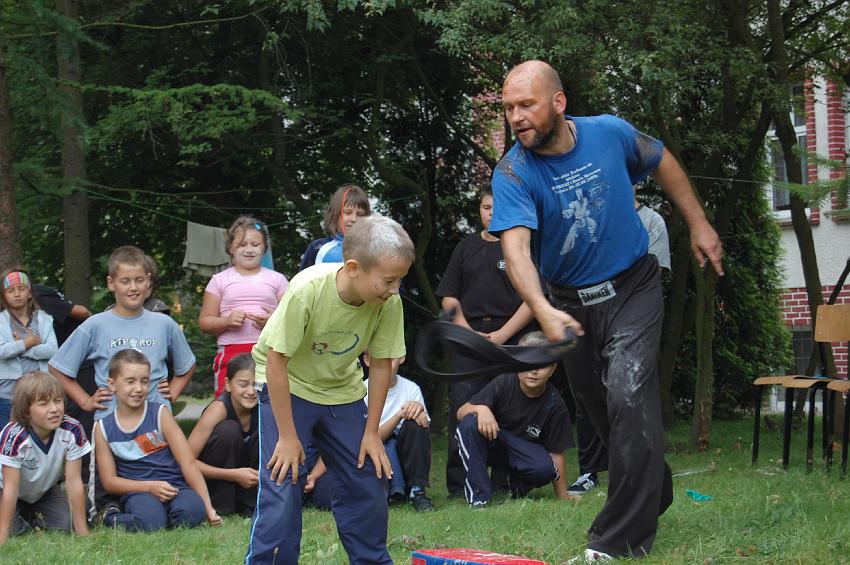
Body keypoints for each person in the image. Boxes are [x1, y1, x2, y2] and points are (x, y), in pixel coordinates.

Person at [491, 60, 723, 562]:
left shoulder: (609, 133)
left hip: (632, 285)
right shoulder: (513, 172)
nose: (516, 117)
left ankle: (615, 541)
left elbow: (661, 159)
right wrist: (542, 309)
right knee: (604, 414)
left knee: (627, 391)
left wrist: (699, 223)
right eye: (508, 108)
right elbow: (516, 251)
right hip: (569, 304)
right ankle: (653, 490)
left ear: (558, 102)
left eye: (526, 104)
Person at [245, 216, 413, 565]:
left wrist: (371, 432)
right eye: (388, 280)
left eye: (400, 280)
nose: (394, 289)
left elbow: (382, 363)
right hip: (288, 383)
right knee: (284, 479)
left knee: (368, 474)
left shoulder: (388, 302)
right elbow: (276, 363)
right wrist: (287, 437)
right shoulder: (308, 289)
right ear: (353, 268)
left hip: (341, 390)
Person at [568, 194, 672, 497]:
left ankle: (637, 470)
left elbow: (652, 276)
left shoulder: (652, 222)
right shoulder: (594, 217)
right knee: (588, 396)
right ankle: (589, 470)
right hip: (588, 315)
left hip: (632, 318)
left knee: (629, 393)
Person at [435, 186, 534, 498]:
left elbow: (533, 299)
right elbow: (449, 297)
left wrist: (503, 335)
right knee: (464, 405)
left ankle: (505, 481)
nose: (492, 213)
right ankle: (459, 484)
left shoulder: (519, 248)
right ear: (479, 209)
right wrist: (466, 332)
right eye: (486, 207)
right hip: (469, 336)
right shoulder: (465, 247)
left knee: (509, 408)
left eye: (498, 207)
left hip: (510, 335)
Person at [49, 245, 197, 422]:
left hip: (156, 422)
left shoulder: (165, 324)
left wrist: (173, 392)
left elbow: (187, 365)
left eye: (139, 280)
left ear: (148, 281)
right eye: (125, 281)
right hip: (111, 421)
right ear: (111, 283)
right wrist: (85, 401)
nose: (133, 287)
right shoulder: (95, 325)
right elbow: (58, 367)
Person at [93, 349, 221, 531]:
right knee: (151, 522)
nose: (139, 388)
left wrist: (208, 508)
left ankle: (164, 515)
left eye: (144, 381)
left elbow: (188, 463)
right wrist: (149, 487)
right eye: (130, 381)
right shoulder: (103, 428)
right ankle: (110, 518)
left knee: (192, 512)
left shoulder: (160, 414)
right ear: (112, 384)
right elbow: (109, 481)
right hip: (139, 491)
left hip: (174, 486)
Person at [455, 331, 573, 508]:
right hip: (494, 442)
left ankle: (508, 487)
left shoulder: (555, 404)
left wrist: (563, 495)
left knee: (545, 469)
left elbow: (556, 452)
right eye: (527, 362)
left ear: (552, 369)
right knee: (470, 422)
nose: (533, 371)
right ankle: (479, 498)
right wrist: (481, 408)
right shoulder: (503, 383)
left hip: (523, 453)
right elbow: (461, 412)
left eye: (541, 365)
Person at [304, 352, 433, 513]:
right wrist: (399, 415)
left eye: (391, 359)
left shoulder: (411, 389)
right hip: (368, 452)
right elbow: (355, 440)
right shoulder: (361, 392)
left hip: (403, 452)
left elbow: (423, 429)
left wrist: (418, 414)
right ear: (366, 361)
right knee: (377, 446)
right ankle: (388, 492)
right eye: (380, 359)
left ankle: (417, 490)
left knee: (416, 424)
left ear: (401, 358)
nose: (386, 365)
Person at [199, 217, 288, 398]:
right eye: (242, 244)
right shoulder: (219, 280)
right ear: (231, 248)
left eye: (255, 244)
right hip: (230, 351)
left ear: (264, 248)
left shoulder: (278, 279)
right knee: (226, 403)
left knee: (270, 401)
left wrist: (273, 321)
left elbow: (292, 320)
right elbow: (205, 322)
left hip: (269, 351)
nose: (249, 249)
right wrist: (226, 321)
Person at [0, 372, 90, 545]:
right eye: (43, 404)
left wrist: (82, 532)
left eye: (58, 400)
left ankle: (31, 514)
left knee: (64, 526)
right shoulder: (14, 436)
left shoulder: (72, 430)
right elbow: (11, 488)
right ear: (26, 411)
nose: (54, 409)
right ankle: (24, 516)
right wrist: (2, 537)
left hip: (44, 491)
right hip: (7, 491)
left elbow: (73, 482)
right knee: (12, 531)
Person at [187, 353, 258, 517]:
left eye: (256, 384)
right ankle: (221, 506)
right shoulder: (218, 410)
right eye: (243, 384)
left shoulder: (264, 406)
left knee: (263, 434)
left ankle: (251, 505)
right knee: (228, 430)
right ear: (228, 384)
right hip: (218, 480)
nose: (251, 391)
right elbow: (186, 462)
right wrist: (232, 475)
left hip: (250, 483)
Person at [0, 268, 58, 427]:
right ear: (3, 296)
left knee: (38, 435)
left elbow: (53, 349)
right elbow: (2, 351)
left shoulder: (43, 319)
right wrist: (28, 342)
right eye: (11, 290)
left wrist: (24, 347)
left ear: (30, 292)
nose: (17, 294)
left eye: (21, 288)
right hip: (8, 395)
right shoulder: (1, 322)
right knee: (8, 437)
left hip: (40, 393)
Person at [299, 183, 371, 270]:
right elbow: (302, 279)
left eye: (360, 214)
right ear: (335, 214)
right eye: (348, 212)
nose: (354, 219)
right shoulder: (318, 248)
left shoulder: (374, 249)